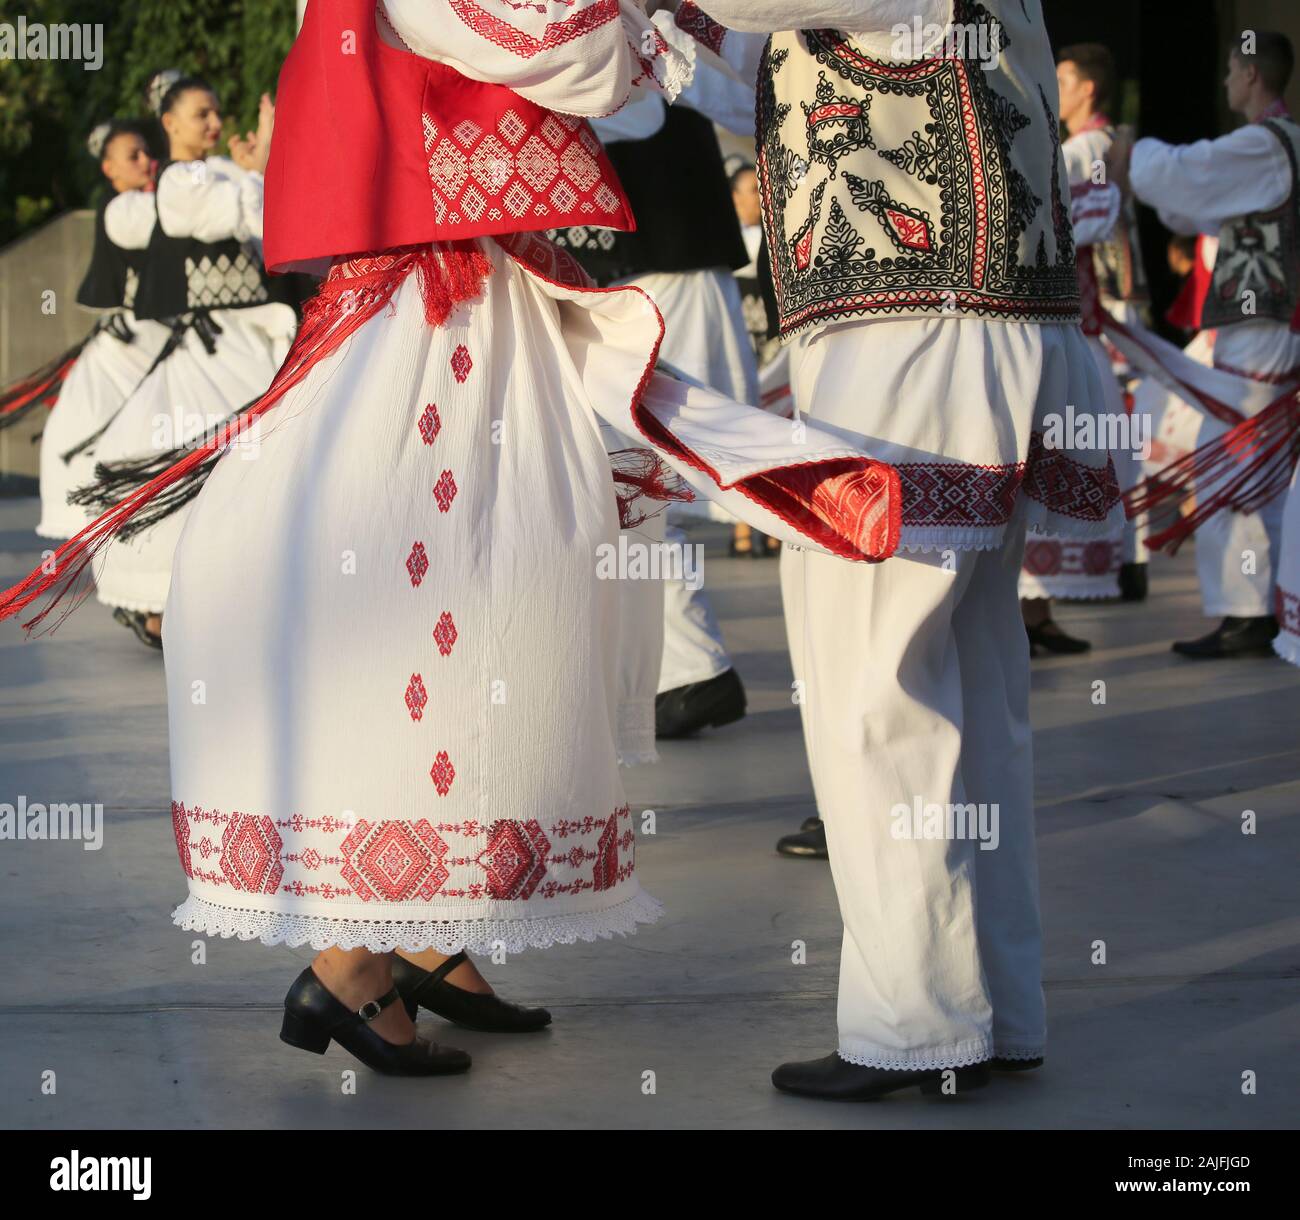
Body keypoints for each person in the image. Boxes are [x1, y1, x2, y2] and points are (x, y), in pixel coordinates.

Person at [1, 0, 900, 1077]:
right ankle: (353, 965)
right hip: (440, 302)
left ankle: (424, 937)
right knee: (456, 598)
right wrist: (657, 30)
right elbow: (561, 49)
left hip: (450, 290)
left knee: (467, 588)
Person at [696, 0, 1122, 1099]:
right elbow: (733, 57)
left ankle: (914, 1023)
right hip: (978, 319)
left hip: (906, 333)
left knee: (873, 681)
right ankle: (995, 1005)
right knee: (977, 687)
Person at [79, 77, 297, 648]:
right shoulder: (179, 180)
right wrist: (258, 166)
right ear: (170, 123)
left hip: (249, 342)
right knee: (196, 463)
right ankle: (169, 598)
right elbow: (233, 217)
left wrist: (256, 169)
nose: (214, 124)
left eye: (218, 113)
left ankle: (245, 595)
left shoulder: (224, 172)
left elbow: (270, 229)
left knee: (253, 465)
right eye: (202, 113)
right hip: (213, 351)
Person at [1108, 32, 1300, 658]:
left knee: (1238, 463)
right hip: (1258, 331)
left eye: (1227, 71)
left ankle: (1249, 613)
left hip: (1261, 336)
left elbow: (1191, 175)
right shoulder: (1275, 148)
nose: (1221, 84)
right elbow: (1195, 207)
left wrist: (1134, 153)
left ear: (1249, 76)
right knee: (1242, 462)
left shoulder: (1264, 147)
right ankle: (1253, 608)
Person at [27, 122, 172, 545]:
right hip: (134, 341)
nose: (147, 162)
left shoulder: (148, 202)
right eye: (134, 156)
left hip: (155, 337)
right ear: (110, 169)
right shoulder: (124, 210)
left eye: (147, 153)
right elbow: (166, 224)